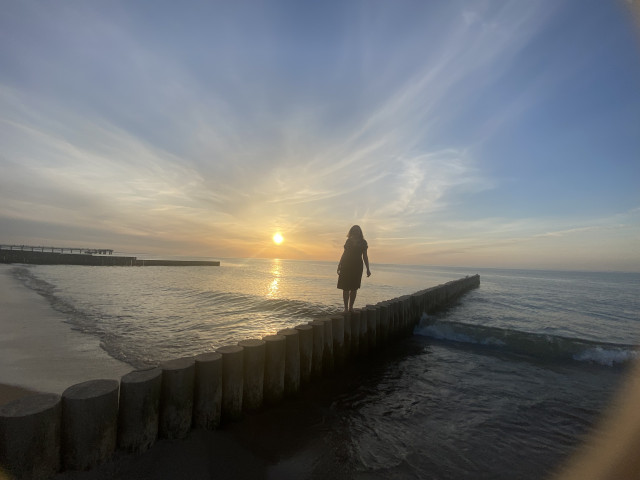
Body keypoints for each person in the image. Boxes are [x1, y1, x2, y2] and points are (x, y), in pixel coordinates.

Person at [337, 225, 371, 313]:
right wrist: (339, 264)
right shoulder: (348, 241)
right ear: (351, 231)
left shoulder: (363, 242)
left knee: (354, 287)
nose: (356, 232)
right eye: (354, 230)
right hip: (346, 265)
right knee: (345, 287)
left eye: (357, 230)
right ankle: (345, 308)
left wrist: (368, 268)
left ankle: (351, 308)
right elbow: (344, 253)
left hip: (357, 266)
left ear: (360, 232)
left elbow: (365, 256)